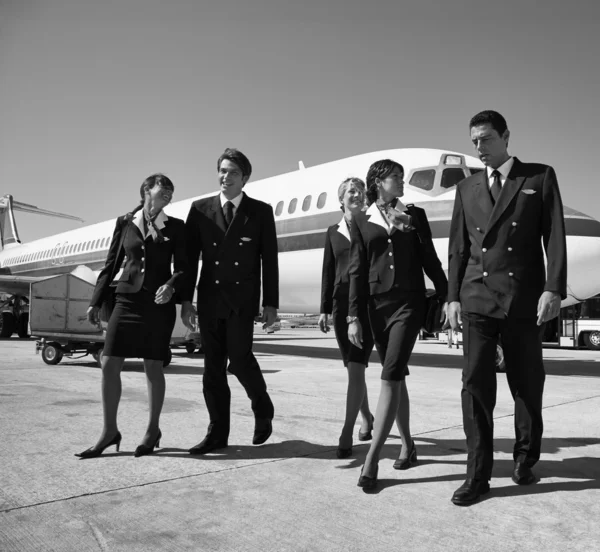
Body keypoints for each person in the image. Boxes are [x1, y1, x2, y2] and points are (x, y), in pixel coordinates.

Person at [448, 110, 567, 506]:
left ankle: (525, 457)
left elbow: (554, 237)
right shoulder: (466, 188)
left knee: (526, 383)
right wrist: (451, 297)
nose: (479, 147)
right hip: (477, 299)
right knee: (475, 387)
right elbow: (459, 249)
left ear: (506, 136)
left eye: (485, 139)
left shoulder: (537, 177)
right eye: (474, 141)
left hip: (523, 299)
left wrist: (554, 288)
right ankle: (477, 475)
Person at [348, 159, 448, 490]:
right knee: (398, 376)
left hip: (408, 305)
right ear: (377, 182)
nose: (402, 182)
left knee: (389, 376)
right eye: (396, 177)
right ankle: (408, 444)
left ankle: (372, 459)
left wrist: (448, 295)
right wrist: (353, 316)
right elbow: (357, 272)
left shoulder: (415, 215)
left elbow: (430, 258)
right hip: (377, 309)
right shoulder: (361, 221)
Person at [76, 174, 187, 458]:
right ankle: (109, 431)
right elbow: (111, 263)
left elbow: (184, 267)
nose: (169, 194)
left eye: (171, 192)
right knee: (109, 362)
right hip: (125, 300)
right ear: (147, 190)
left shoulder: (176, 227)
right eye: (164, 189)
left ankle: (152, 430)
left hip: (157, 304)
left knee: (153, 366)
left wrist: (172, 287)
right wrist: (96, 300)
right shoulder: (125, 222)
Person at [181, 148, 279, 454]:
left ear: (245, 178)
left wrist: (271, 305)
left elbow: (269, 261)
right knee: (212, 369)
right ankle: (217, 433)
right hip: (210, 298)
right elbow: (187, 259)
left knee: (238, 360)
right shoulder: (200, 209)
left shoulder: (260, 211)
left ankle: (262, 408)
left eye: (233, 172)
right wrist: (186, 300)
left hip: (241, 299)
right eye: (222, 171)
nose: (226, 177)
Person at [319, 177, 375, 459]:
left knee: (356, 366)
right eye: (351, 191)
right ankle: (367, 417)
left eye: (360, 191)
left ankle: (346, 431)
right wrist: (324, 309)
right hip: (341, 305)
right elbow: (328, 271)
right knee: (355, 368)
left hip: (365, 304)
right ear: (341, 199)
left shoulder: (372, 225)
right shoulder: (333, 231)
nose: (357, 194)